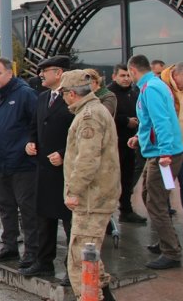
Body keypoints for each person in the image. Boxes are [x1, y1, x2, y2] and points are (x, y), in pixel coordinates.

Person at [59, 70, 119, 301]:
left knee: (81, 256)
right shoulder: (92, 111)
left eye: (64, 93)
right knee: (89, 253)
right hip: (95, 195)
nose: (63, 97)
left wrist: (74, 191)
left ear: (71, 94)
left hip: (92, 198)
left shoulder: (89, 116)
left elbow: (87, 159)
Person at [0, 57, 39, 266]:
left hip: (22, 165)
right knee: (6, 207)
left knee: (28, 209)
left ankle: (32, 251)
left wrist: (29, 145)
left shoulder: (25, 94)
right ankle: (9, 245)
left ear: (9, 73)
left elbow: (36, 124)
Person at [127, 55, 183, 270]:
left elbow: (162, 122)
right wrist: (139, 139)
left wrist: (166, 153)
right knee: (149, 196)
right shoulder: (154, 85)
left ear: (133, 70)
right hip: (159, 151)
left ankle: (171, 251)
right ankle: (167, 240)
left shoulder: (150, 89)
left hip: (162, 154)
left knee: (156, 202)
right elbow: (151, 122)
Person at [21, 56, 74, 281]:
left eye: (45, 71)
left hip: (66, 171)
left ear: (59, 73)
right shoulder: (43, 97)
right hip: (43, 168)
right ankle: (44, 263)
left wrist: (63, 154)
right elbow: (35, 125)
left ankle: (73, 267)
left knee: (70, 221)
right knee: (44, 217)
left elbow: (77, 133)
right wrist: (31, 142)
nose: (41, 75)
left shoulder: (72, 98)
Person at [107, 64, 147, 224]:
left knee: (127, 178)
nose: (126, 79)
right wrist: (125, 121)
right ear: (114, 76)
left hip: (131, 142)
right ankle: (108, 218)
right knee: (111, 180)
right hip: (114, 142)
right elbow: (106, 115)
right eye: (122, 75)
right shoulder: (109, 94)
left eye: (128, 75)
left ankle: (126, 210)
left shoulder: (134, 92)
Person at [158, 61, 183, 239]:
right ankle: (166, 236)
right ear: (176, 75)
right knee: (163, 190)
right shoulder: (161, 88)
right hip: (167, 150)